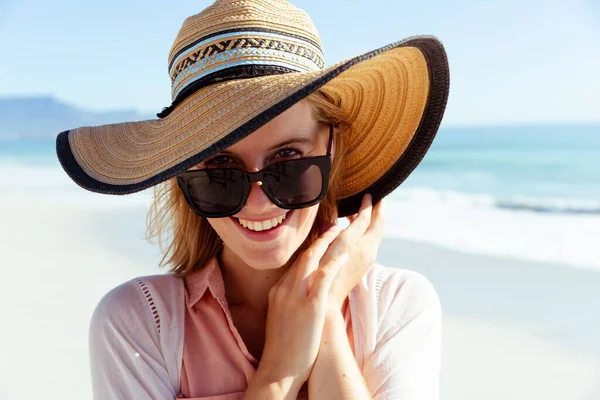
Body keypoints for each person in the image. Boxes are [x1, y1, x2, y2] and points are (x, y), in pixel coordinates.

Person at [55, 0, 449, 398]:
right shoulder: (139, 323)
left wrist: (325, 311)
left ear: (332, 149)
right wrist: (281, 367)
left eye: (288, 158)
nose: (258, 203)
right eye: (221, 167)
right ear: (184, 174)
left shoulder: (397, 304)